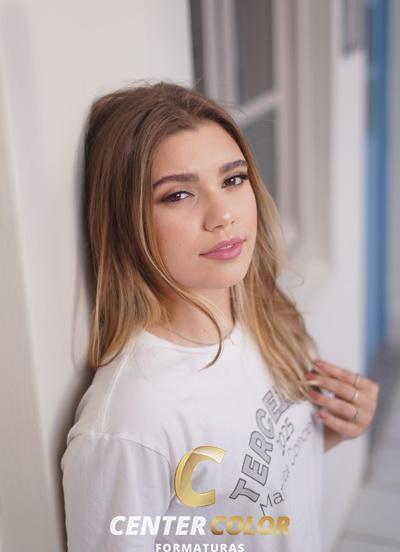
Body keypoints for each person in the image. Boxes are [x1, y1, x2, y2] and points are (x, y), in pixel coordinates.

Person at [60, 80, 379, 551]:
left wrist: (329, 431)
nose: (222, 215)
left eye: (232, 180)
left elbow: (247, 491)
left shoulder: (268, 318)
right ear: (128, 222)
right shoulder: (130, 425)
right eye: (178, 195)